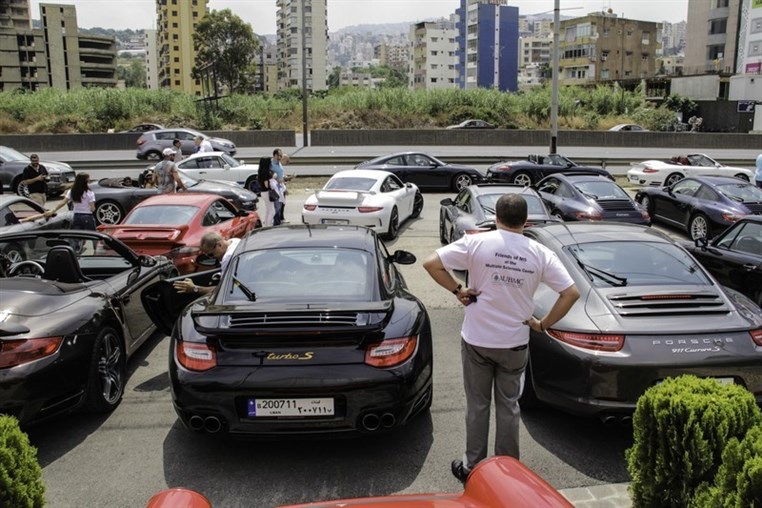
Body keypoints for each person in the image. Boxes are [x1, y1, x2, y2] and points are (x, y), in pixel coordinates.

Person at [422, 193, 580, 483]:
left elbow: (431, 263)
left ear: (496, 217)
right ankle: (508, 471)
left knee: (477, 405)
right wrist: (543, 324)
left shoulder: (477, 242)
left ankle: (473, 466)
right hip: (515, 341)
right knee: (508, 405)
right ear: (525, 220)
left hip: (477, 340)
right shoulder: (540, 253)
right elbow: (570, 293)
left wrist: (459, 291)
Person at [173, 232, 240, 295]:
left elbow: (224, 290)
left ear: (219, 244)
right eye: (207, 256)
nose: (211, 258)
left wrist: (194, 289)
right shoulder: (235, 241)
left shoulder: (228, 257)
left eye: (211, 254)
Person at [257, 157, 276, 227]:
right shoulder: (266, 173)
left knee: (268, 209)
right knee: (272, 211)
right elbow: (266, 185)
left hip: (263, 193)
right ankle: (269, 225)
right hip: (267, 192)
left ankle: (266, 225)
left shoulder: (260, 172)